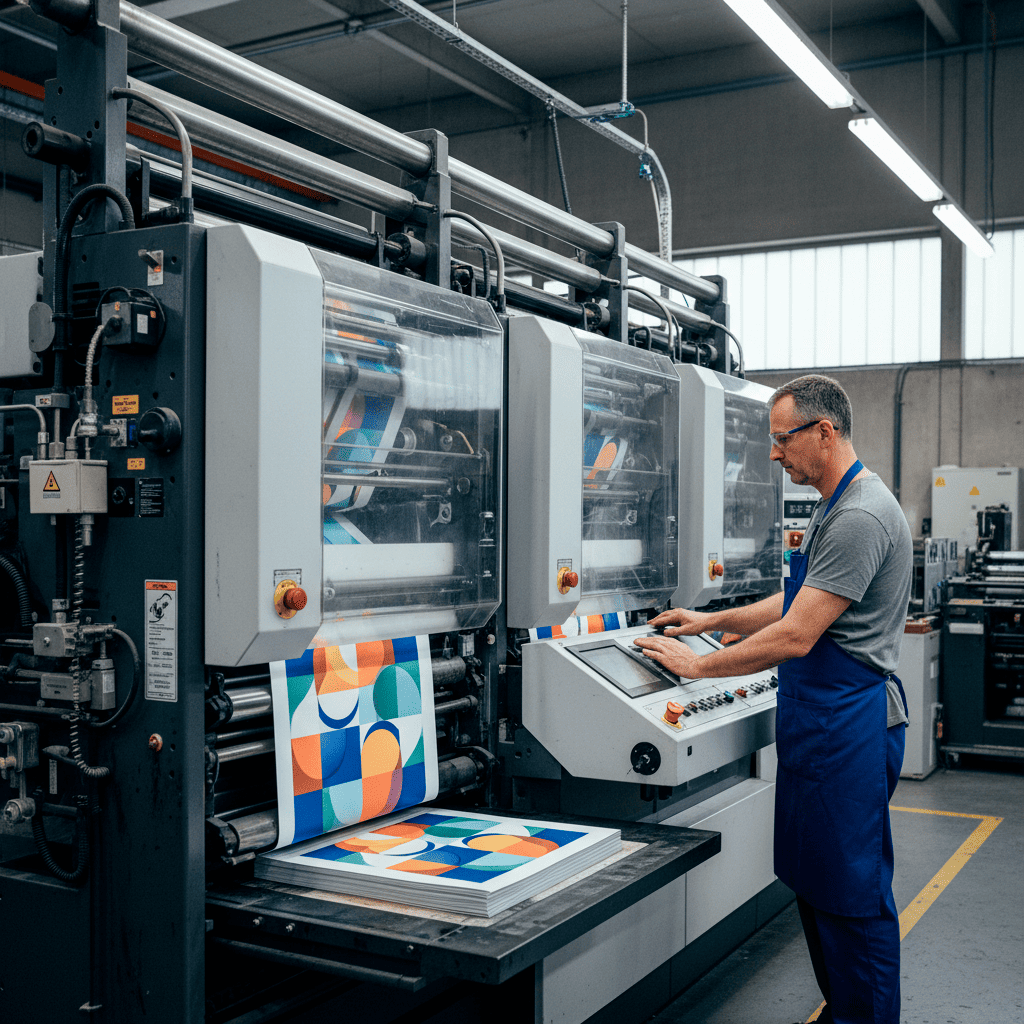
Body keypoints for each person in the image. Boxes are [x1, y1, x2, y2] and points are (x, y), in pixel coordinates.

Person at [635, 374, 911, 1024]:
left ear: (824, 432)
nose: (773, 452)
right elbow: (798, 600)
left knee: (852, 896)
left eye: (783, 439)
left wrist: (700, 668)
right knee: (819, 886)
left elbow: (796, 633)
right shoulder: (832, 505)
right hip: (821, 727)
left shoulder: (861, 515)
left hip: (849, 730)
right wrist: (711, 621)